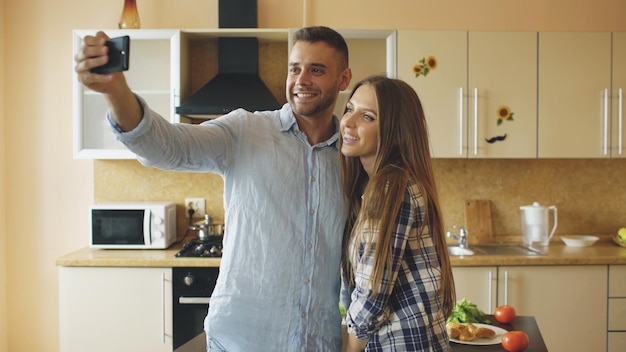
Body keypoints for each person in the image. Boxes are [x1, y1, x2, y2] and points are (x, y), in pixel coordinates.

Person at [74, 26, 352, 351]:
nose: (301, 80)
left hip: (319, 343)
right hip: (238, 342)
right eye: (295, 68)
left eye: (316, 70)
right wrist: (116, 91)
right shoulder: (244, 131)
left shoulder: (353, 157)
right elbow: (165, 146)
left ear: (343, 79)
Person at [338, 75, 456, 351]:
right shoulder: (392, 183)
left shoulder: (390, 188)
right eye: (349, 109)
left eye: (367, 117)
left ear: (395, 130)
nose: (348, 122)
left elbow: (371, 297)